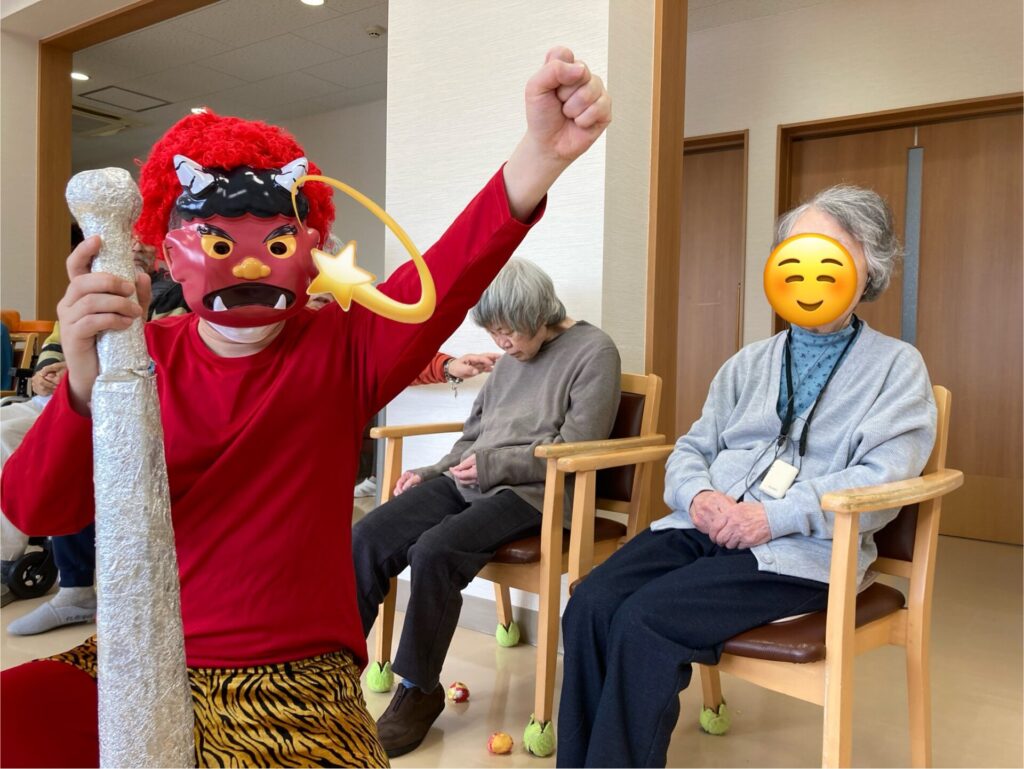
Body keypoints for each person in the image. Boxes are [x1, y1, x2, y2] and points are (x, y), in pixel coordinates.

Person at [0, 47, 610, 769]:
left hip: (297, 677)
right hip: (141, 655)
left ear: (312, 248)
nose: (249, 264)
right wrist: (82, 380)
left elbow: (451, 271)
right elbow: (40, 509)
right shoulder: (140, 361)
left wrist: (540, 156)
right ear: (169, 251)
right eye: (221, 241)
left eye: (275, 240)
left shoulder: (344, 345)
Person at [557, 185, 938, 768]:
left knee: (645, 620)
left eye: (831, 251)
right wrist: (699, 496)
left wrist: (774, 516)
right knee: (590, 603)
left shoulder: (896, 368)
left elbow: (883, 480)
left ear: (871, 265)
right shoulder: (747, 363)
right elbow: (692, 448)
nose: (809, 269)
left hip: (803, 552)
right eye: (795, 251)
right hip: (703, 527)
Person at [352, 257, 621, 758]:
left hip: (535, 494)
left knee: (434, 551)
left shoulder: (594, 351)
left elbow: (578, 445)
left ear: (540, 314)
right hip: (473, 480)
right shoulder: (510, 357)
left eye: (509, 332)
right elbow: (473, 436)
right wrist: (433, 471)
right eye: (494, 332)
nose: (502, 344)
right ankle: (333, 675)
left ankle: (417, 690)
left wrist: (493, 465)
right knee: (368, 536)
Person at [0, 242, 188, 621]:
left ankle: (52, 577)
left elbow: (165, 356)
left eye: (141, 238)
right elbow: (56, 344)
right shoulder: (86, 290)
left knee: (85, 453)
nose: (132, 245)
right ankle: (19, 561)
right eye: (125, 238)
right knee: (5, 432)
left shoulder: (178, 292)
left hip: (130, 402)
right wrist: (46, 372)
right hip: (61, 395)